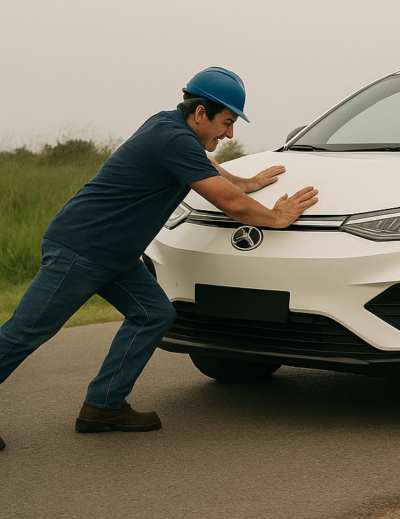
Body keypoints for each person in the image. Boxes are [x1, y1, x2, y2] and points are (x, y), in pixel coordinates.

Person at [0, 67, 318, 451]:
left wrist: (246, 182)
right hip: (82, 248)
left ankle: (103, 405)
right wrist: (276, 217)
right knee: (25, 331)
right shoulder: (174, 139)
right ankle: (104, 404)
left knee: (153, 314)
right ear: (201, 113)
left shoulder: (171, 129)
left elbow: (208, 168)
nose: (230, 134)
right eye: (227, 123)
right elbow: (231, 205)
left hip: (113, 254)